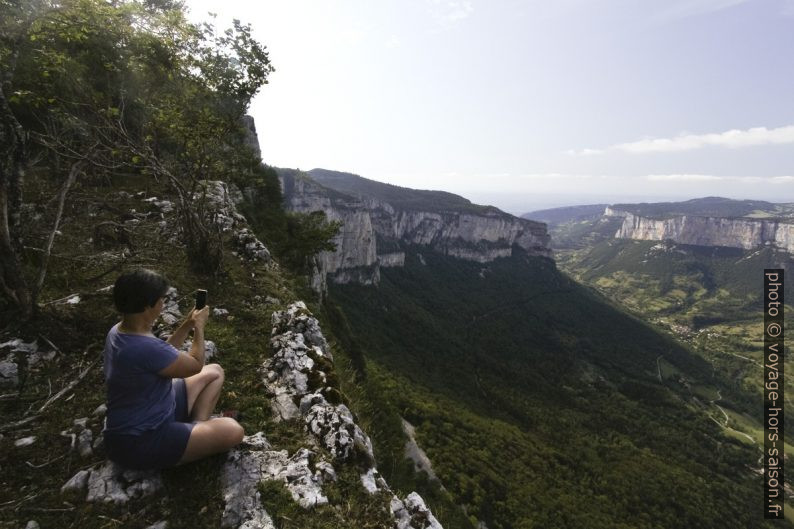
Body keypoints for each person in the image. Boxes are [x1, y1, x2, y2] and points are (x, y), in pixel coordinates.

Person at [101, 268, 244, 470]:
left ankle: (196, 427)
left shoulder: (120, 330)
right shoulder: (142, 346)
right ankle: (190, 439)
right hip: (140, 440)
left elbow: (162, 353)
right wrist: (200, 327)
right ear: (146, 305)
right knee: (234, 431)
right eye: (160, 300)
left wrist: (187, 324)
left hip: (158, 409)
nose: (163, 304)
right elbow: (195, 364)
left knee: (215, 372)